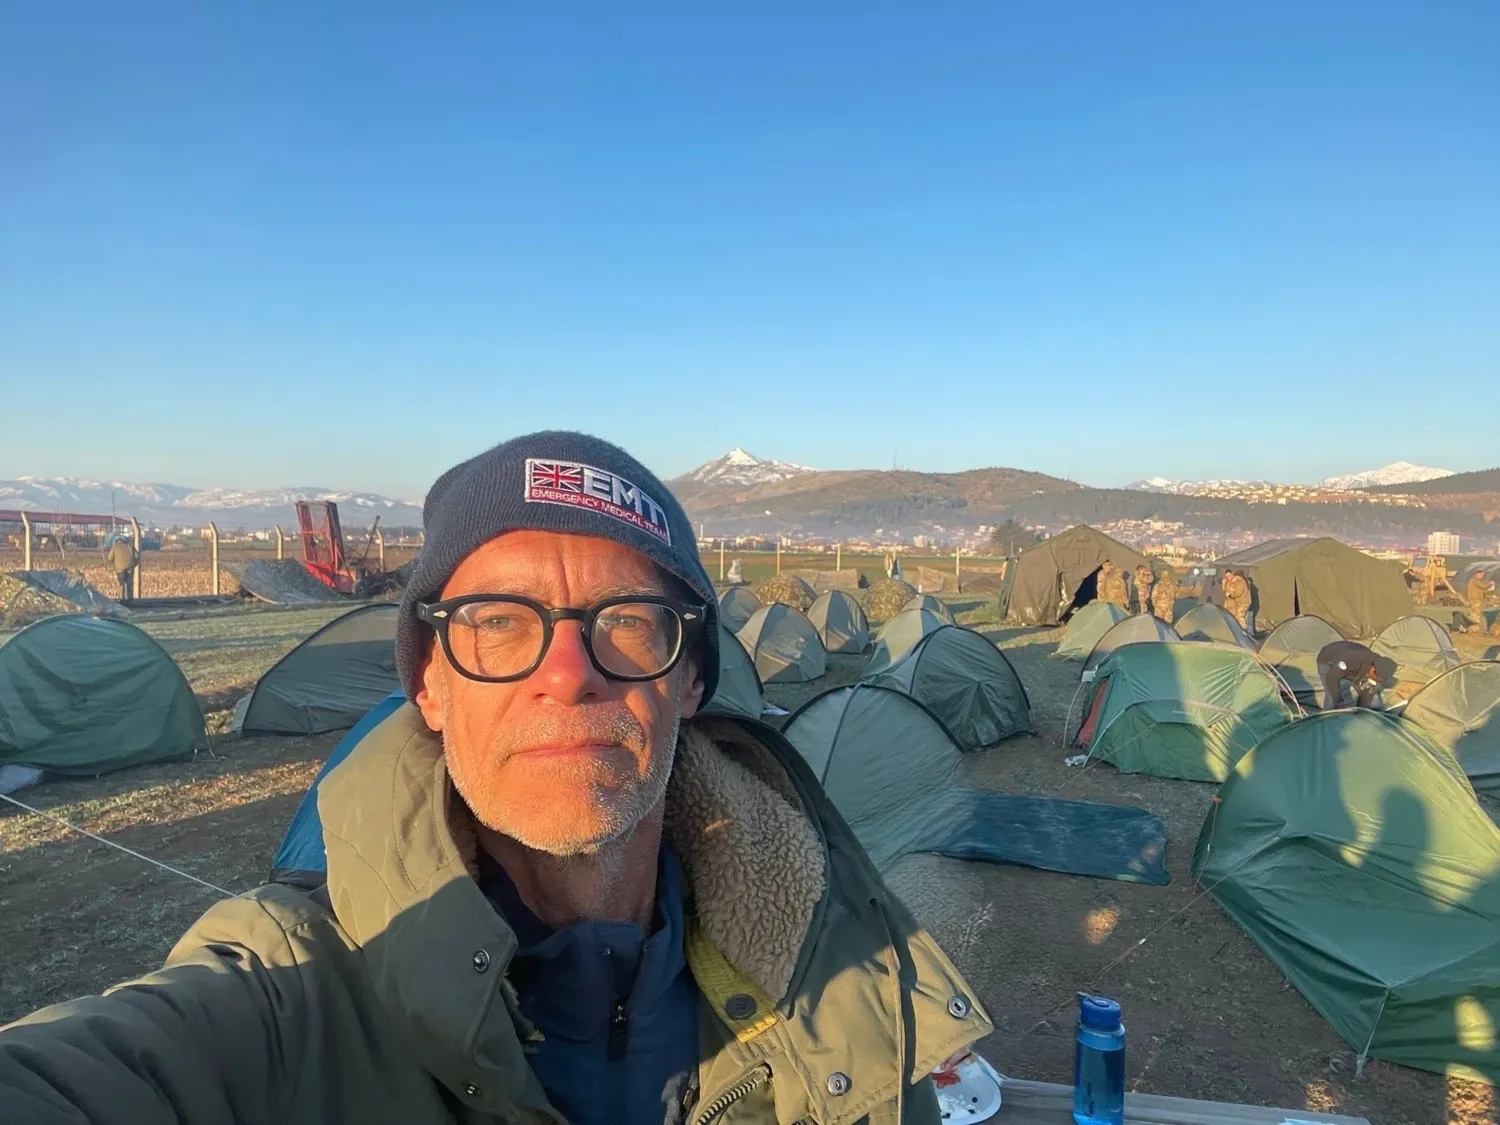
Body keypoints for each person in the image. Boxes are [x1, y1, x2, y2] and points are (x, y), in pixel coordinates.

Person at [0, 432, 989, 1125]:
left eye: (629, 620)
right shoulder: (285, 1000)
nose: (568, 676)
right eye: (499, 623)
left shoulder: (836, 968)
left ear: (690, 677)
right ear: (428, 685)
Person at [1316, 640, 1397, 710]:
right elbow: (1331, 679)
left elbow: (1368, 692)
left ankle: (1359, 716)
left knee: (1368, 689)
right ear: (1373, 670)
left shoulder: (1377, 665)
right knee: (1331, 696)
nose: (1376, 681)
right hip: (1328, 660)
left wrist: (1363, 708)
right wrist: (1339, 702)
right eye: (1376, 679)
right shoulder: (1352, 660)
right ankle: (1325, 721)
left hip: (1351, 667)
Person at [104, 533, 138, 601]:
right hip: (130, 568)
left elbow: (110, 559)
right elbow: (137, 557)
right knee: (129, 585)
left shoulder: (115, 547)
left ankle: (122, 599)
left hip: (120, 569)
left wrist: (115, 562)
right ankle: (130, 600)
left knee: (121, 585)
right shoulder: (130, 547)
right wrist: (134, 565)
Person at [1468, 570, 1496, 634]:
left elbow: (1481, 590)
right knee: (1476, 614)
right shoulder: (1474, 581)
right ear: (1477, 574)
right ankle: (1473, 628)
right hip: (1475, 600)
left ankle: (1475, 628)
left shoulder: (1475, 581)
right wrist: (1491, 583)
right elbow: (1483, 587)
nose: (1482, 577)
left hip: (1476, 600)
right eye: (1482, 575)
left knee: (1476, 614)